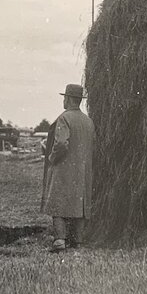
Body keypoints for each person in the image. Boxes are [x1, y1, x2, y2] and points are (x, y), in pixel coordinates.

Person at [41, 84, 95, 253]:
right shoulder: (88, 121)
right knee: (80, 203)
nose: (63, 100)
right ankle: (78, 241)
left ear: (69, 99)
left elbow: (61, 143)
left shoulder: (64, 118)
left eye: (65, 97)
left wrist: (51, 158)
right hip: (83, 170)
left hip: (64, 168)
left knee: (58, 202)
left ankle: (59, 241)